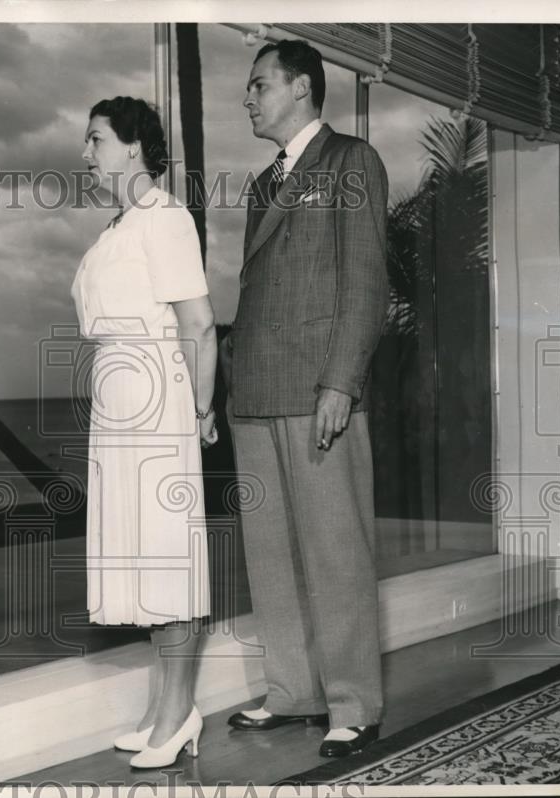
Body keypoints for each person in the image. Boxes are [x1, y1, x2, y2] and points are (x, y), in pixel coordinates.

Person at [222, 40, 390, 758]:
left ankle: (353, 702)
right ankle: (293, 690)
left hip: (317, 389)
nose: (248, 98)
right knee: (273, 555)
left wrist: (340, 384)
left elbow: (367, 284)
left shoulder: (352, 162)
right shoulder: (264, 183)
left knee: (335, 552)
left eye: (259, 85)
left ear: (300, 87)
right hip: (256, 393)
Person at [72, 96, 218, 769]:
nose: (87, 153)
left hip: (159, 401)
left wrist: (201, 410)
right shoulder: (118, 226)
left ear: (134, 148)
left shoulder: (165, 218)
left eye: (96, 139)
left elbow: (198, 323)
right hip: (120, 405)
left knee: (168, 561)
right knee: (144, 562)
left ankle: (179, 713)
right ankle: (164, 709)